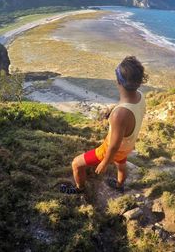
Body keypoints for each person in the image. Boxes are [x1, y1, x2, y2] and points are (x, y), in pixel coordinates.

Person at [60, 56, 147, 194]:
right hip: (128, 145)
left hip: (111, 150)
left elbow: (113, 146)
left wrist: (105, 163)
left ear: (118, 81)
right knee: (121, 166)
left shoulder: (120, 114)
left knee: (76, 163)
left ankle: (79, 188)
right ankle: (119, 186)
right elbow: (129, 109)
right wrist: (114, 110)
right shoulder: (140, 96)